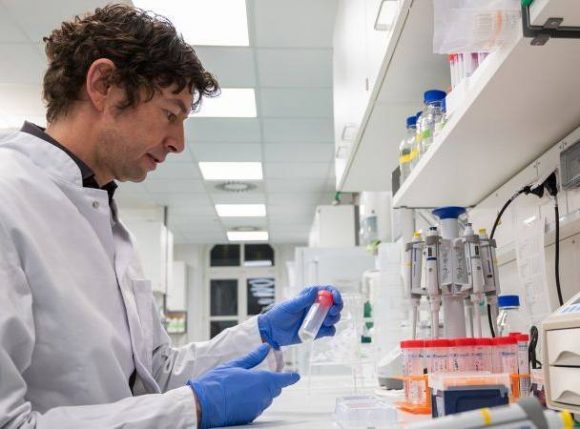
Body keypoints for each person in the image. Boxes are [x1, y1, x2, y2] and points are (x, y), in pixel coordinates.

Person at [0, 4, 343, 429]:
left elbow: (156, 374)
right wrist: (194, 408)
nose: (178, 142)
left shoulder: (102, 215)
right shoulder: (9, 197)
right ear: (103, 85)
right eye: (170, 113)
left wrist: (262, 333)